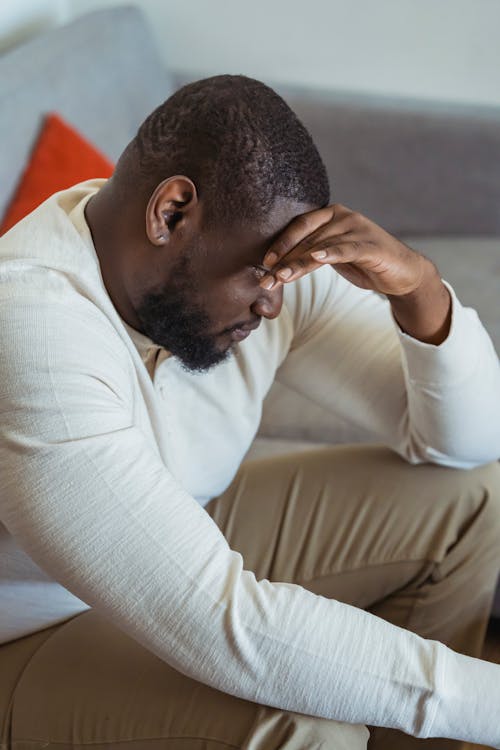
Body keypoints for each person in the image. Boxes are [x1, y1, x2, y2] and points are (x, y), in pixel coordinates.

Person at [0, 74, 499, 750]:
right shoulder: (31, 326)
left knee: (472, 501)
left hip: (172, 550)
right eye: (260, 274)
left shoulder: (267, 281)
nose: (271, 305)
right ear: (171, 213)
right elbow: (217, 618)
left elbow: (469, 444)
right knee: (299, 722)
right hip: (26, 633)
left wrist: (419, 289)